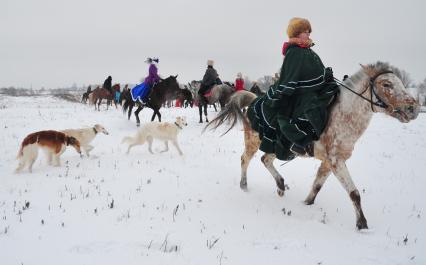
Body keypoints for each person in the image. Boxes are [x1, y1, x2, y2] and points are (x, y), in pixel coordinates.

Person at [247, 17, 339, 160]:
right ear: (297, 33)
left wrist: (325, 75)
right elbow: (290, 76)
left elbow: (314, 71)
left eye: (309, 31)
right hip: (299, 92)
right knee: (310, 105)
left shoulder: (309, 50)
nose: (308, 33)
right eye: (305, 31)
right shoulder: (294, 52)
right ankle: (300, 143)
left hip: (311, 88)